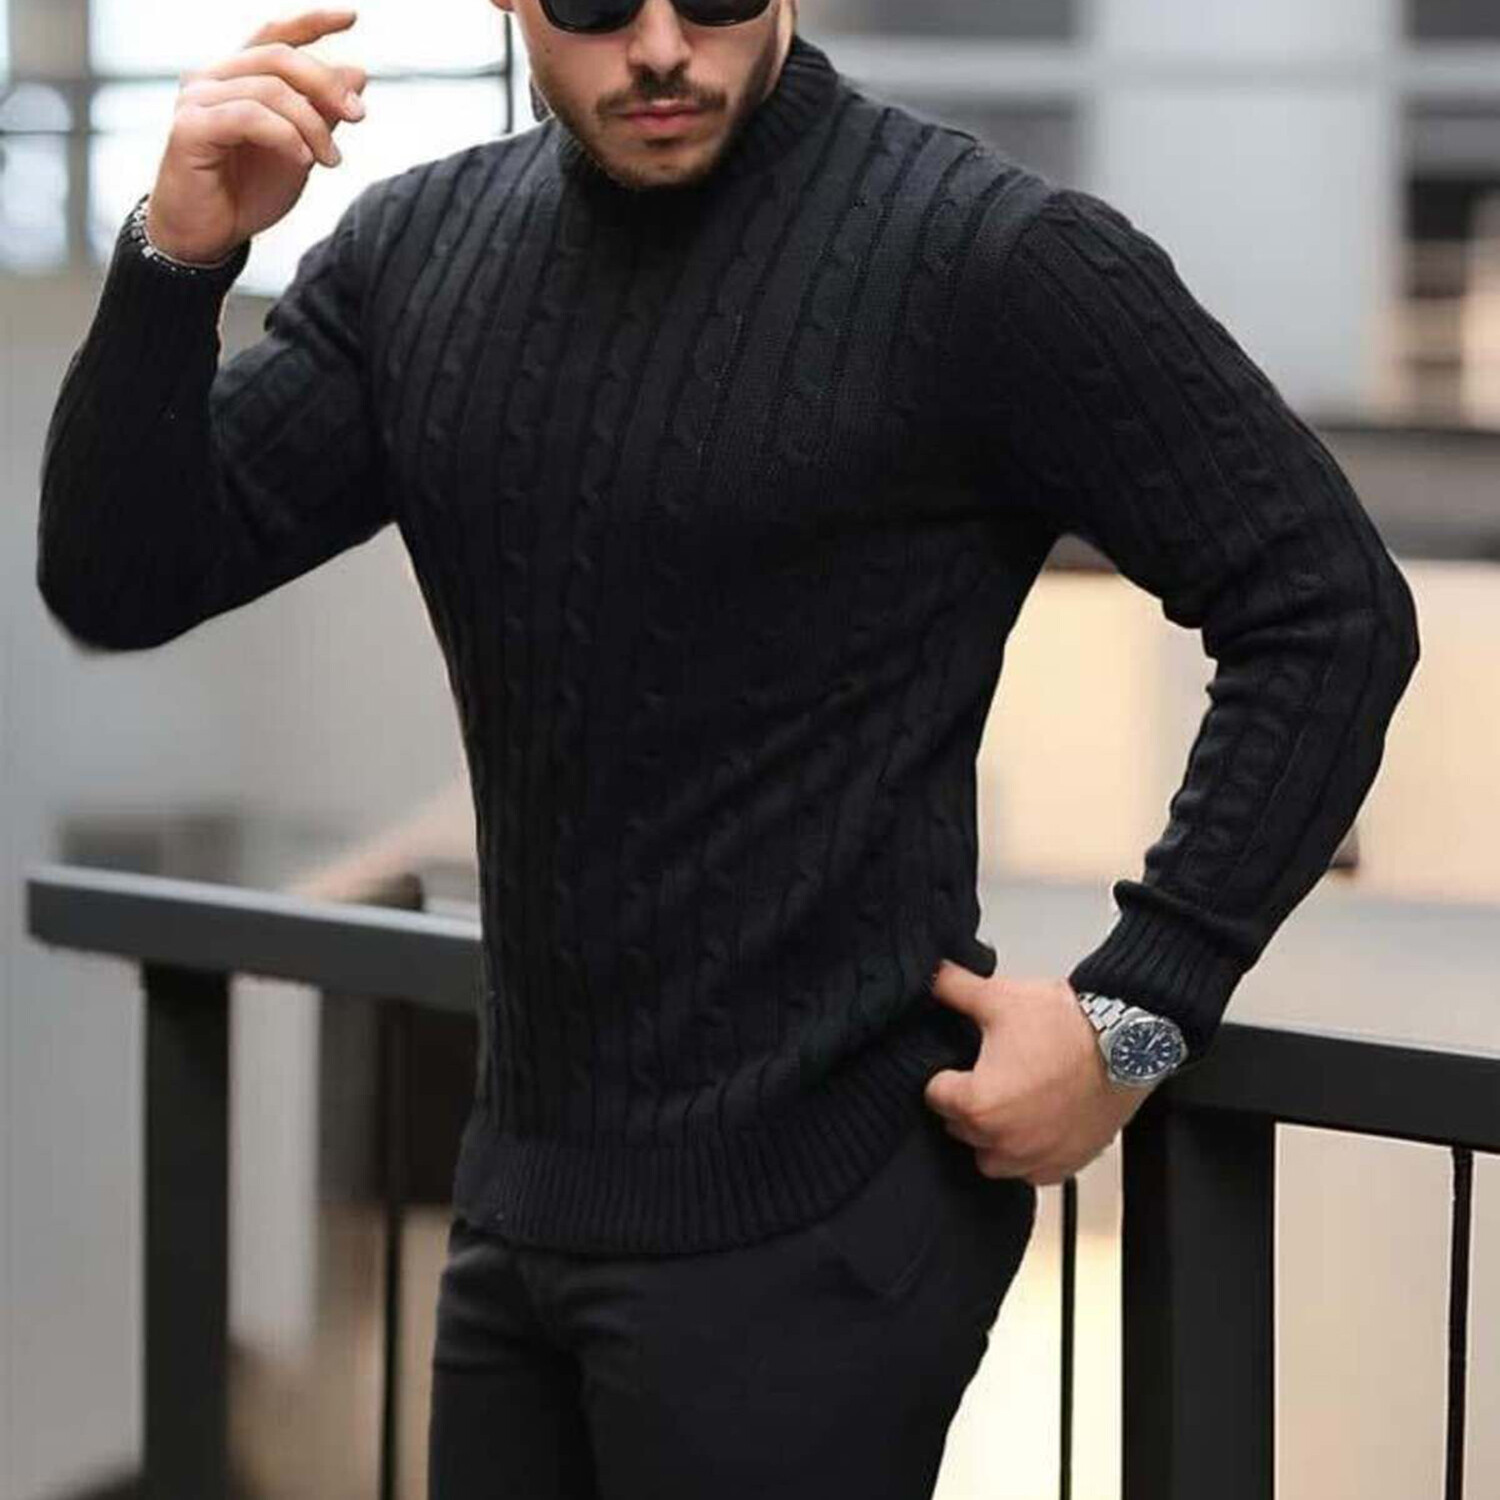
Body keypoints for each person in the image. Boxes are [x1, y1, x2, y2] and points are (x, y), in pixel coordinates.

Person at [35, 1, 1421, 1494]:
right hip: (522, 1208)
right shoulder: (417, 255)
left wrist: (1134, 1018)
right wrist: (178, 257)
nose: (658, 45)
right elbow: (121, 575)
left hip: (822, 1227)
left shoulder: (985, 256)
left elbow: (1327, 608)